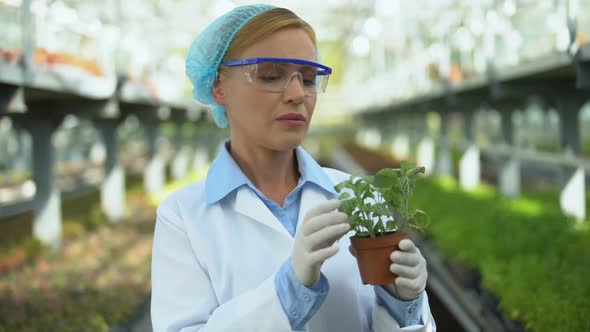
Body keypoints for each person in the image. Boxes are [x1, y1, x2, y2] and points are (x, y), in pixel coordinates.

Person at [151, 4, 436, 332]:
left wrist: (404, 305)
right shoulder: (182, 216)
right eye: (271, 75)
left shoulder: (361, 196)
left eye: (309, 79)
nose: (298, 94)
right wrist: (288, 291)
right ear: (218, 87)